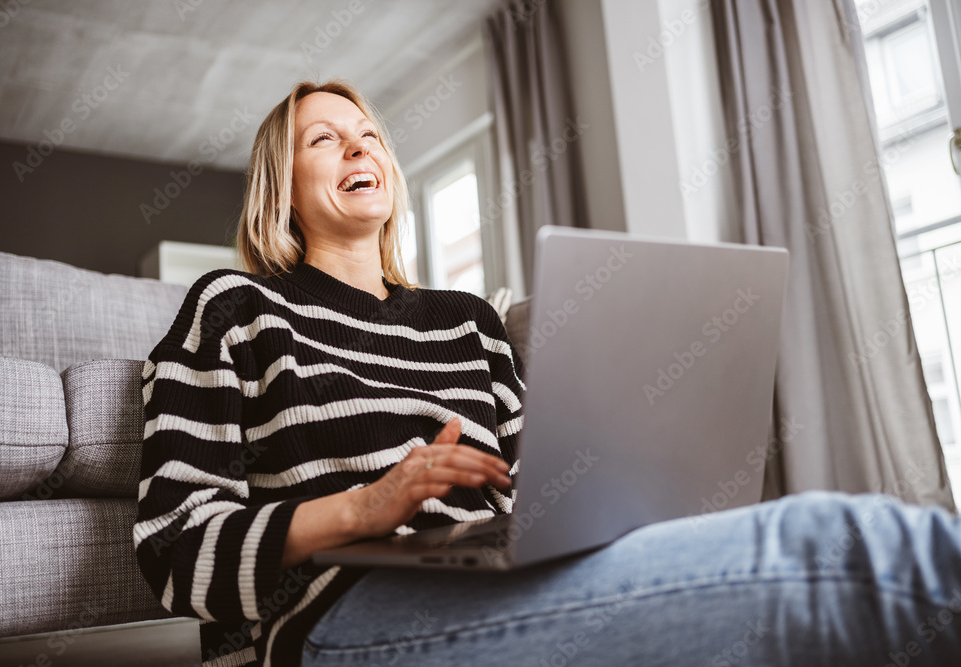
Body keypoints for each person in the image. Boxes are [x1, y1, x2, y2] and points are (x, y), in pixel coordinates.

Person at [134, 79, 961, 667]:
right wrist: (366, 504)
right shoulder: (233, 307)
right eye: (325, 138)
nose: (358, 145)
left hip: (497, 572)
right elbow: (174, 548)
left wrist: (631, 479)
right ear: (281, 188)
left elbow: (543, 486)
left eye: (370, 134)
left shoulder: (466, 320)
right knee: (851, 548)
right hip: (340, 610)